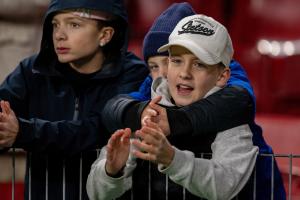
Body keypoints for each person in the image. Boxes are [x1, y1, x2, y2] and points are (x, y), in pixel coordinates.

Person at [93, 2, 286, 199]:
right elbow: (97, 192)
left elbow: (240, 101)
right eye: (176, 61)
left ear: (222, 75)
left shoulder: (232, 113)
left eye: (199, 64)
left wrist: (172, 158)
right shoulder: (149, 107)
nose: (184, 73)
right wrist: (111, 172)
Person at [0, 0, 148, 199]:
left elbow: (98, 129)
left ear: (105, 35)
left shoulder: (133, 74)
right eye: (55, 25)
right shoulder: (32, 70)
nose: (59, 35)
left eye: (74, 24)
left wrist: (23, 132)